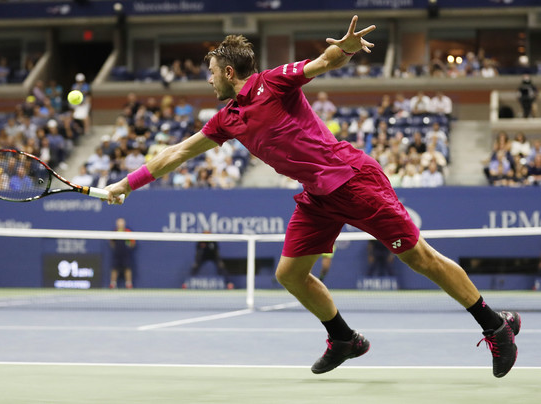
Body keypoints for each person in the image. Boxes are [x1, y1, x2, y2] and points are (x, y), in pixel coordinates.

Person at [105, 16, 520, 378]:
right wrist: (126, 184)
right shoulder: (227, 118)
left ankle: (493, 326)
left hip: (352, 179)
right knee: (290, 274)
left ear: (229, 71)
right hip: (318, 196)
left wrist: (345, 51)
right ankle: (344, 338)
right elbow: (177, 152)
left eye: (211, 72)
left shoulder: (273, 82)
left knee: (417, 257)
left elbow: (323, 63)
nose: (208, 79)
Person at [109, 217, 136, 289]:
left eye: (121, 223)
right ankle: (112, 284)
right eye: (119, 223)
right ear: (117, 224)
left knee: (127, 268)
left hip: (126, 254)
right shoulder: (115, 232)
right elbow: (111, 242)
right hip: (117, 254)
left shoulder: (128, 231)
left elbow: (132, 243)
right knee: (114, 268)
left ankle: (128, 284)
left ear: (124, 224)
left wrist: (128, 246)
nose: (120, 224)